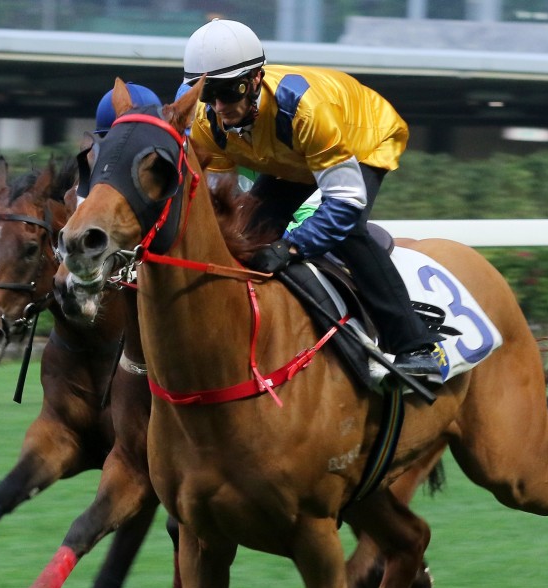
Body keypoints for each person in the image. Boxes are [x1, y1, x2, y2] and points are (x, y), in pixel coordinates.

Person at [181, 18, 441, 376]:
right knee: (248, 233)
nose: (220, 107)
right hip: (289, 153)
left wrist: (290, 247)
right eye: (208, 94)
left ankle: (416, 345)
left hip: (360, 137)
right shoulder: (206, 121)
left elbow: (345, 206)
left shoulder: (304, 109)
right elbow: (220, 206)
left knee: (347, 231)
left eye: (230, 91)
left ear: (256, 79)